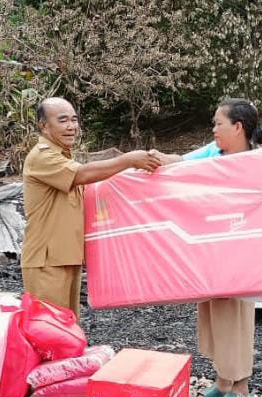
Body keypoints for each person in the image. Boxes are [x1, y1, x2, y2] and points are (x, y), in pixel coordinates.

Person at [154, 98, 262, 397]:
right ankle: (221, 382)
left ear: (237, 127)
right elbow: (179, 162)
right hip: (210, 248)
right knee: (213, 314)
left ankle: (242, 386)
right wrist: (154, 159)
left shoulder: (256, 162)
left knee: (237, 316)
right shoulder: (213, 154)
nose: (214, 129)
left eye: (218, 123)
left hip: (241, 250)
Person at [21, 97, 163, 321]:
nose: (71, 127)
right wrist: (127, 160)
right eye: (63, 120)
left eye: (74, 120)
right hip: (46, 260)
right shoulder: (42, 156)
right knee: (48, 329)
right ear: (43, 125)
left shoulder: (61, 156)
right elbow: (82, 175)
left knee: (67, 326)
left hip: (66, 256)